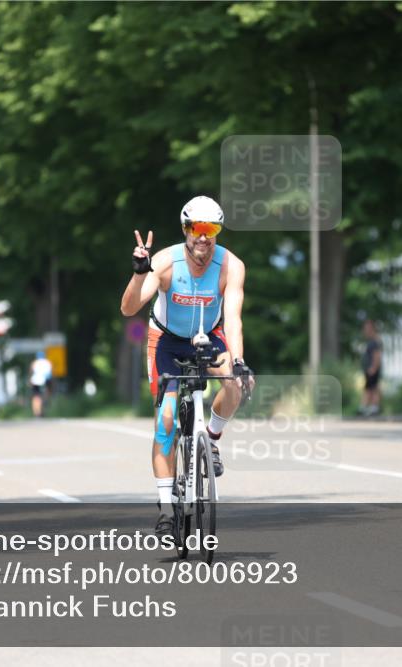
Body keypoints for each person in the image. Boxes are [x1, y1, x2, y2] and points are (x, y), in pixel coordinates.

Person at [120, 195, 254, 536]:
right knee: (166, 420)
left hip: (208, 336)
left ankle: (210, 439)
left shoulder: (231, 266)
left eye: (212, 229)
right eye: (197, 228)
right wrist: (139, 274)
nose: (204, 237)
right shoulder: (165, 262)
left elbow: (234, 319)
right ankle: (166, 508)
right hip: (165, 340)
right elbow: (129, 308)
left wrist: (237, 362)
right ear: (186, 229)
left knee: (234, 383)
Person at [360, 319, 382, 416]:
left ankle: (372, 408)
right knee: (370, 388)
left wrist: (373, 367)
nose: (365, 331)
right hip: (370, 369)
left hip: (372, 369)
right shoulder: (372, 341)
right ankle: (368, 408)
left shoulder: (374, 342)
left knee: (371, 388)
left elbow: (377, 355)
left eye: (367, 328)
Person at [29, 351, 53, 417]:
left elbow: (31, 372)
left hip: (36, 381)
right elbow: (50, 374)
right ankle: (45, 402)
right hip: (45, 381)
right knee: (47, 393)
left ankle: (36, 412)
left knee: (36, 397)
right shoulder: (47, 362)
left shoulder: (34, 363)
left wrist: (30, 381)